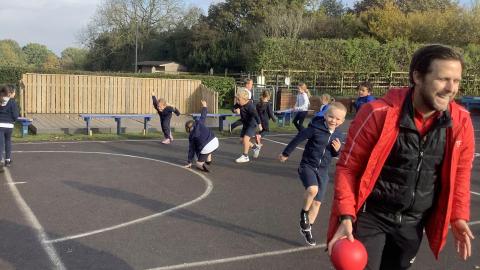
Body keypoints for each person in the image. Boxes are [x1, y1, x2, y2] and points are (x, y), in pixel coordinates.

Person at [327, 44, 475, 270]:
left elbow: (461, 173)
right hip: (371, 217)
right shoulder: (378, 114)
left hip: (413, 223)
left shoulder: (461, 121)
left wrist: (458, 216)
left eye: (456, 81)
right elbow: (348, 168)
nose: (450, 88)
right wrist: (346, 215)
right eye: (443, 79)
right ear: (417, 76)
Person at [279, 102, 347, 246]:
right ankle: (303, 214)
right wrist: (286, 153)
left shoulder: (338, 134)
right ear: (325, 115)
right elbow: (298, 138)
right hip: (308, 166)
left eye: (337, 119)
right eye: (331, 116)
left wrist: (337, 149)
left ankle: (307, 229)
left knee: (317, 203)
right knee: (312, 189)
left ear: (342, 121)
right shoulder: (314, 128)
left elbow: (334, 153)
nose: (333, 120)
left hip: (323, 170)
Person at [184, 100, 219, 172]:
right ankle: (208, 161)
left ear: (188, 129)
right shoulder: (199, 123)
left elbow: (191, 150)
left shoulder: (192, 136)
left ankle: (202, 165)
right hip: (215, 141)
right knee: (206, 146)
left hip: (207, 146)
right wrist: (204, 106)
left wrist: (189, 162)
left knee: (198, 163)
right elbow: (203, 115)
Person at [234, 88, 262, 163]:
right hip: (245, 124)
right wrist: (235, 110)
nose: (237, 101)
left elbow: (256, 115)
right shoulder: (239, 103)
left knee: (246, 139)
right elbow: (233, 107)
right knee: (242, 140)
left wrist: (259, 124)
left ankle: (245, 156)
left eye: (239, 100)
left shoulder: (250, 106)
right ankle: (255, 147)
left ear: (245, 99)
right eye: (237, 100)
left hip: (252, 124)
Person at [0, 84, 19, 171]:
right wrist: (14, 120)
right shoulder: (13, 102)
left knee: (1, 143)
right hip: (9, 126)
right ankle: (8, 160)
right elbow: (15, 115)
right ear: (10, 93)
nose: (15, 93)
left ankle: (0, 160)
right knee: (8, 142)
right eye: (14, 92)